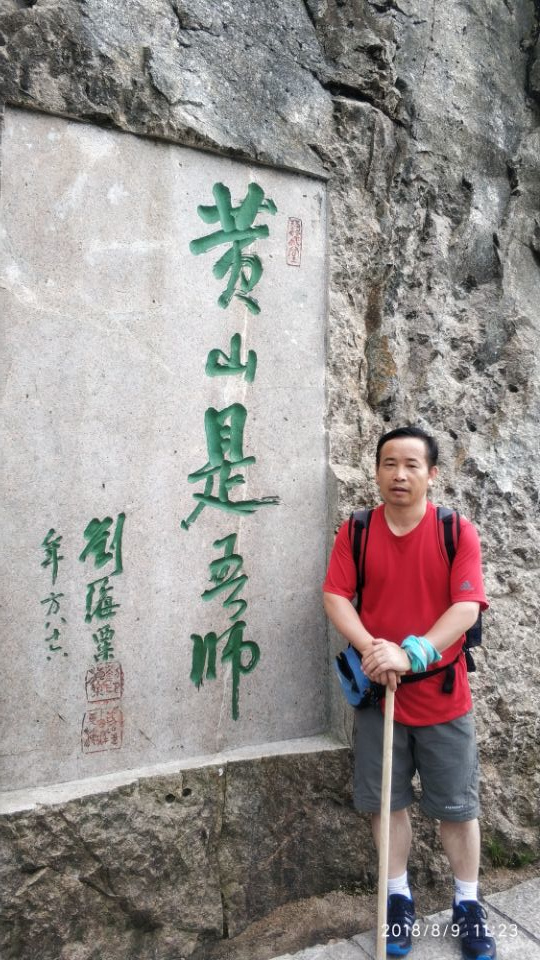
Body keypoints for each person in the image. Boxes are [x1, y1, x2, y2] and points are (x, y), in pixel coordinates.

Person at [323, 426, 496, 960]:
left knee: (457, 808)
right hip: (382, 696)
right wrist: (373, 651)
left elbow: (466, 608)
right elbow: (335, 595)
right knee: (386, 803)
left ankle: (468, 903)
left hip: (443, 696)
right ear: (376, 470)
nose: (399, 474)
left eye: (411, 465)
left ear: (432, 474)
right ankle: (397, 898)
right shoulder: (356, 531)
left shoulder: (455, 531)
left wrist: (413, 652)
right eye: (389, 463)